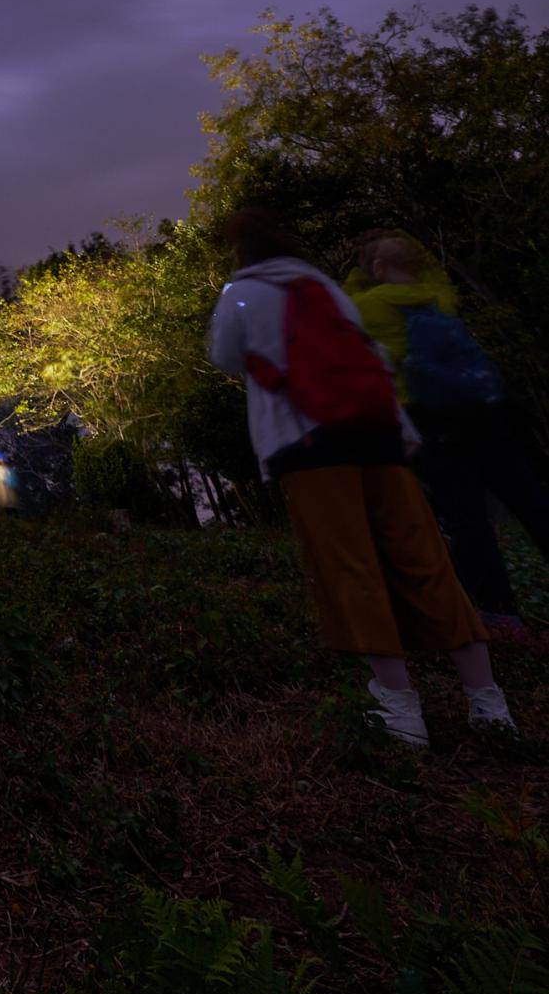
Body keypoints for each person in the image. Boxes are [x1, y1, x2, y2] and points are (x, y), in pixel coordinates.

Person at [207, 206, 513, 745]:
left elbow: (224, 355)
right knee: (425, 558)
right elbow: (368, 353)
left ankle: (401, 712)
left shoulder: (241, 294)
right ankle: (490, 705)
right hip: (379, 437)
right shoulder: (325, 285)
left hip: (308, 445)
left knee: (350, 566)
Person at [346, 232, 549, 639]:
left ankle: (500, 615)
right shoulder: (440, 296)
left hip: (429, 418)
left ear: (378, 269)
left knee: (467, 517)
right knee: (530, 500)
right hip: (484, 411)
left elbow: (345, 311)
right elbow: (436, 275)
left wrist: (362, 273)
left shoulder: (369, 306)